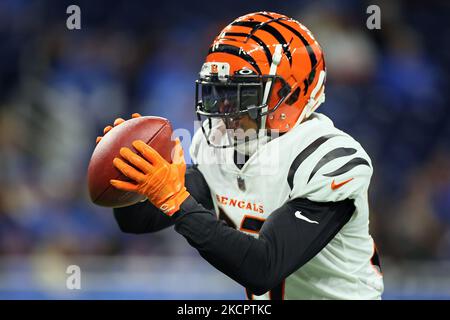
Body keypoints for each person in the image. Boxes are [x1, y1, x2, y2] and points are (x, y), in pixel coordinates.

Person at [97, 12, 384, 300]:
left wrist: (175, 200)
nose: (224, 107)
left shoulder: (331, 159)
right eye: (220, 90)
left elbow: (263, 268)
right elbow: (137, 221)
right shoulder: (220, 142)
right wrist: (131, 174)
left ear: (289, 94)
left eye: (240, 94)